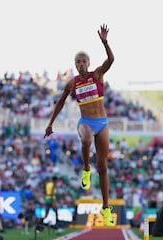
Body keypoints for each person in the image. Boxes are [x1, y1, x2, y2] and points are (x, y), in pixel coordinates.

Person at [44, 24, 115, 226]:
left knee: (103, 167)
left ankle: (105, 207)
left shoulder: (98, 75)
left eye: (84, 61)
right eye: (78, 62)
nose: (81, 64)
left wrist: (105, 42)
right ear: (75, 64)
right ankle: (85, 168)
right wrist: (50, 123)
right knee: (85, 139)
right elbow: (60, 103)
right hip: (86, 122)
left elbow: (111, 60)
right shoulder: (72, 83)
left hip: (102, 123)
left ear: (89, 63)